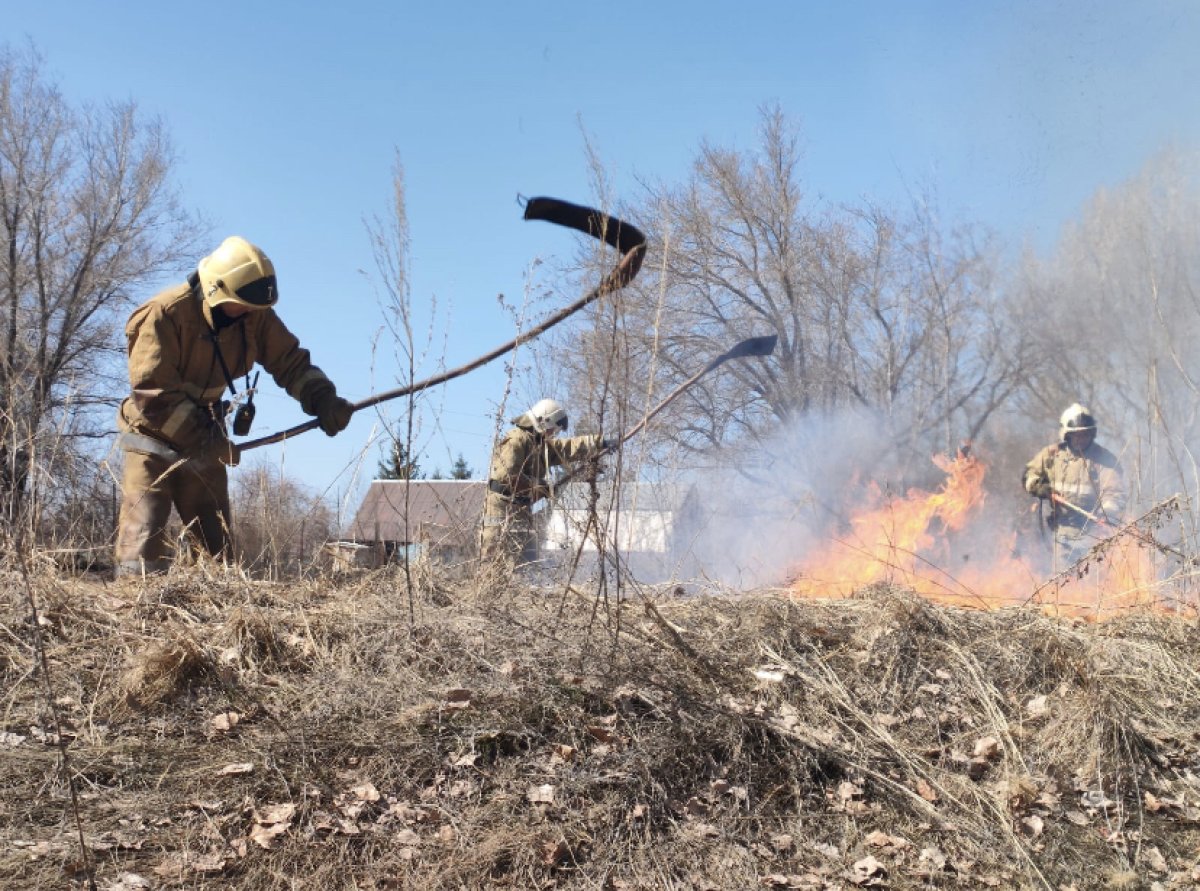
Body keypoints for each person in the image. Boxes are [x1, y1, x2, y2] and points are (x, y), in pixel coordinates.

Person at [114, 235, 355, 577]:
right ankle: (131, 613)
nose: (251, 314)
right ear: (215, 291)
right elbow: (154, 395)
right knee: (142, 546)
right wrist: (205, 441)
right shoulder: (162, 314)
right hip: (152, 441)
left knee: (219, 560)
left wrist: (323, 400)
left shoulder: (254, 317)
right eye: (241, 304)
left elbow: (291, 362)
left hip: (207, 439)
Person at [481, 398, 612, 569]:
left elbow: (566, 448)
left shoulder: (539, 444)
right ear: (544, 421)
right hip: (501, 507)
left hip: (521, 507)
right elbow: (507, 477)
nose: (553, 434)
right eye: (553, 429)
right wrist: (541, 487)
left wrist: (600, 443)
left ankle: (518, 591)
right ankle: (490, 592)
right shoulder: (516, 441)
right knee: (493, 559)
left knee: (522, 560)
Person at [1022, 402, 1125, 569]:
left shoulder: (1104, 460)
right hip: (1057, 532)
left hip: (1092, 533)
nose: (1080, 439)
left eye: (1085, 434)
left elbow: (1114, 493)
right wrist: (1042, 488)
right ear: (1066, 434)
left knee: (1088, 581)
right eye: (1076, 435)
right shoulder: (1051, 455)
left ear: (1092, 434)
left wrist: (1107, 513)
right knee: (1060, 581)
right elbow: (1028, 476)